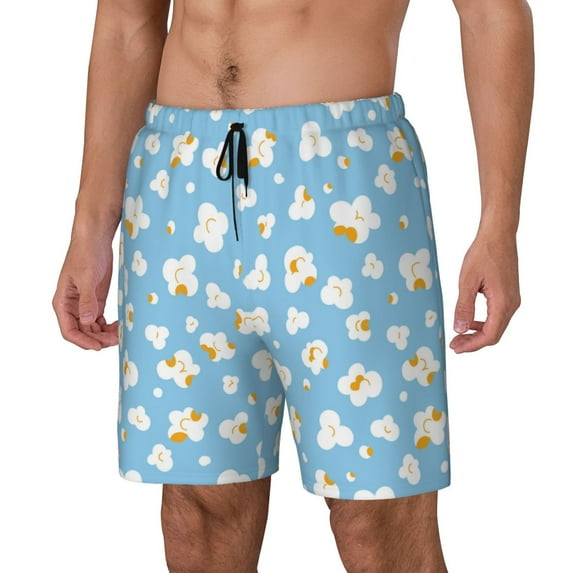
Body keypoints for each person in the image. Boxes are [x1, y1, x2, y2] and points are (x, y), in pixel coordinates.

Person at [52, 0, 534, 571]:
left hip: (342, 188)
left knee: (376, 516)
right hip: (175, 185)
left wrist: (499, 225)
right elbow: (127, 24)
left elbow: (492, 14)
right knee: (199, 514)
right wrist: (90, 225)